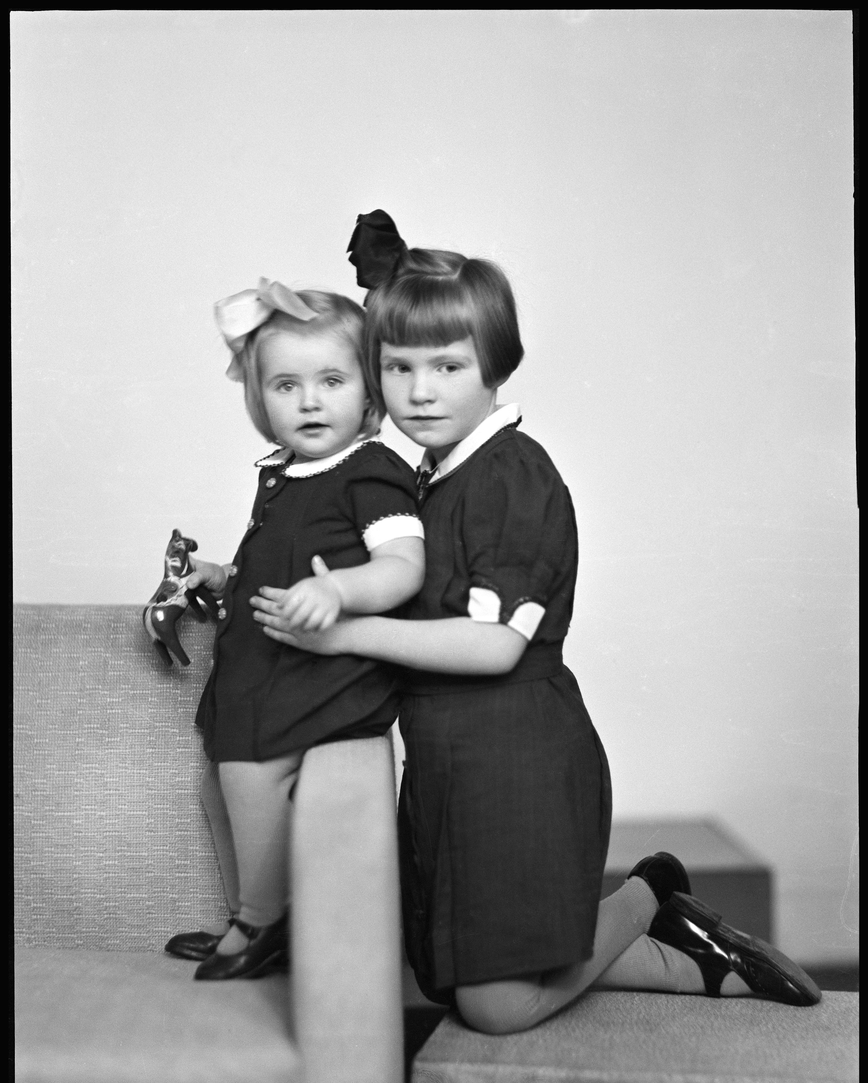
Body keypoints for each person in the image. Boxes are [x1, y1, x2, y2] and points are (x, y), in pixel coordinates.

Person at [250, 215, 821, 1032]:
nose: (420, 391)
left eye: (448, 366)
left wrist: (343, 634)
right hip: (451, 762)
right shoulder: (428, 476)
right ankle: (692, 957)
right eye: (398, 367)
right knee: (447, 976)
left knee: (495, 1005)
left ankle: (649, 892)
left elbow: (494, 645)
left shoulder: (511, 477)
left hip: (516, 757)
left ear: (495, 364)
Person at [164, 278, 425, 981]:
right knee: (219, 787)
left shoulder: (371, 471)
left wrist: (337, 590)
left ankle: (263, 921)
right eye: (286, 385)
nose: (310, 401)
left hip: (318, 678)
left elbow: (403, 566)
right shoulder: (286, 472)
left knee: (249, 778)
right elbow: (272, 564)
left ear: (368, 392)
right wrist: (222, 577)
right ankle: (246, 918)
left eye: (331, 381)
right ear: (261, 399)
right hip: (260, 674)